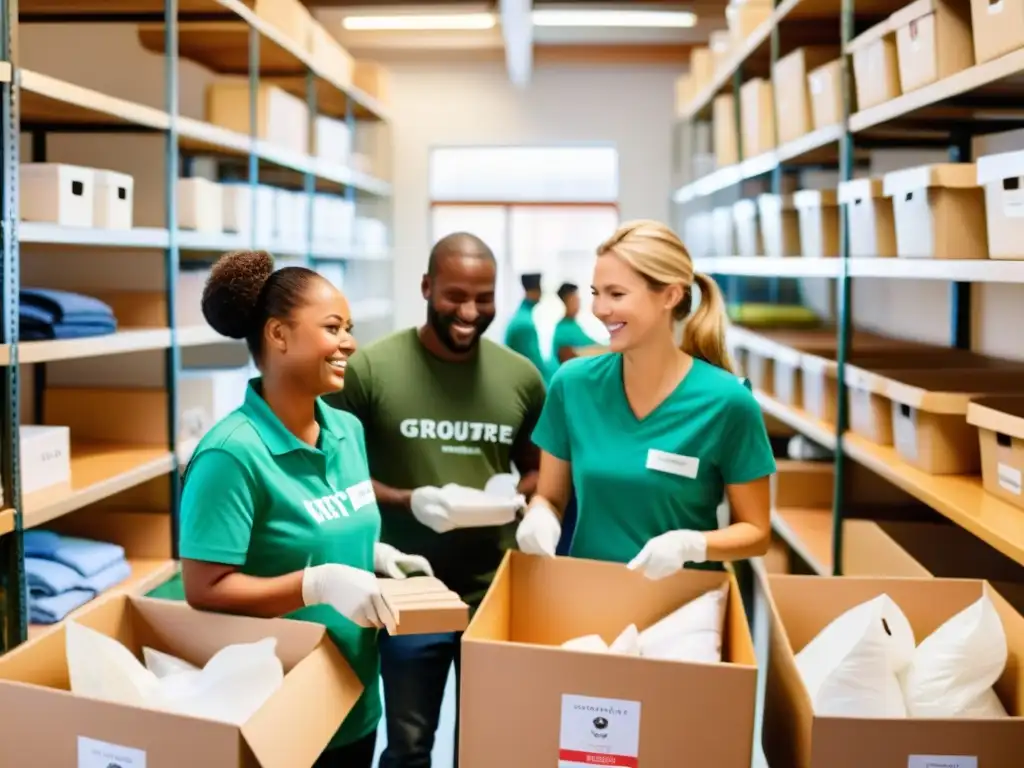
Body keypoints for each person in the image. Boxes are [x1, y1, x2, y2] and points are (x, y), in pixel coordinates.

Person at [177, 250, 431, 768]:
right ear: (279, 335)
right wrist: (314, 585)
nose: (350, 343)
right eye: (333, 327)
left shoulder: (347, 431)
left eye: (350, 328)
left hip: (356, 695)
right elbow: (204, 588)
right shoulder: (232, 454)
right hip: (276, 704)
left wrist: (374, 554)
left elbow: (325, 520)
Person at [326, 232, 546, 768]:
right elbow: (333, 478)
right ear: (426, 287)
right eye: (454, 296)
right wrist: (408, 499)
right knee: (408, 748)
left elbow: (539, 470)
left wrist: (518, 499)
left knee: (491, 746)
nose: (470, 311)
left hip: (492, 592)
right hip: (407, 595)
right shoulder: (369, 372)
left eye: (484, 297)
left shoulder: (521, 378)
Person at [516, 220, 775, 576]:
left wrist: (692, 544)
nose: (600, 308)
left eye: (616, 294)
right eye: (596, 292)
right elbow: (551, 496)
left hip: (685, 610)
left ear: (670, 296)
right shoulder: (573, 386)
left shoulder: (728, 402)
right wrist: (540, 515)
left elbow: (757, 533)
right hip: (587, 597)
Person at [504, 271, 552, 379]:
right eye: (539, 289)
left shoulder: (521, 316)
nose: (542, 292)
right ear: (532, 292)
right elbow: (535, 365)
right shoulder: (525, 324)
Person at [550, 282, 601, 368]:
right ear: (565, 302)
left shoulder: (574, 325)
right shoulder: (563, 330)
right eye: (574, 300)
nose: (578, 304)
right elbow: (568, 360)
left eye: (578, 300)